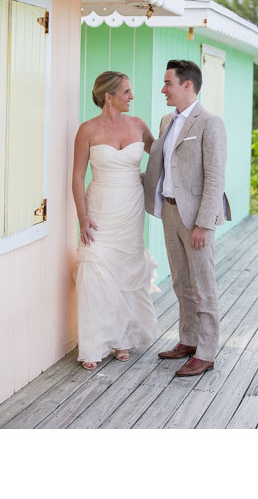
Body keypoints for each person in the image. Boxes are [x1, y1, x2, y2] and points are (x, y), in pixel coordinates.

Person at [142, 60, 230, 377]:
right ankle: (188, 340)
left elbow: (215, 178)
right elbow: (163, 166)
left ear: (187, 85)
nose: (163, 89)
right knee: (181, 282)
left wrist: (203, 224)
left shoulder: (210, 123)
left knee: (203, 285)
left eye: (168, 83)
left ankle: (206, 352)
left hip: (194, 216)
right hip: (168, 210)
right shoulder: (167, 120)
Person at [72, 71, 159, 370]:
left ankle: (123, 339)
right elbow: (76, 176)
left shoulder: (138, 126)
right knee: (94, 269)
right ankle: (94, 344)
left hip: (131, 207)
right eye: (126, 92)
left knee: (125, 270)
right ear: (108, 96)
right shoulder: (87, 130)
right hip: (99, 208)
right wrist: (82, 217)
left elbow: (161, 156)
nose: (131, 97)